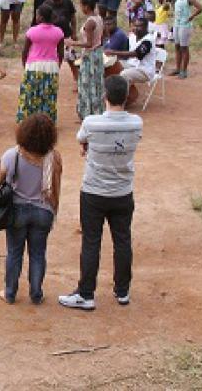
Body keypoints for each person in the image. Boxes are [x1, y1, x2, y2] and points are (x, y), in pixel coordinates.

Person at [59, 75, 142, 310]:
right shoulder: (136, 123)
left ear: (105, 95)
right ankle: (122, 291)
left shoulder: (92, 122)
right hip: (123, 191)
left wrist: (89, 148)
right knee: (122, 240)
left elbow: (81, 139)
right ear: (126, 96)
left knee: (91, 241)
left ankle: (86, 294)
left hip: (94, 191)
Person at [0, 113, 61, 305]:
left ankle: (10, 293)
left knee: (14, 253)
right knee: (38, 253)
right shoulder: (53, 158)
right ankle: (36, 294)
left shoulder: (12, 155)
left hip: (17, 211)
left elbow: (0, 180)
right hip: (43, 211)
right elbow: (55, 184)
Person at [17, 2, 65, 123]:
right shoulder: (58, 32)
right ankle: (48, 120)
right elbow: (61, 53)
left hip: (34, 65)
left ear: (41, 18)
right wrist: (58, 65)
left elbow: (25, 51)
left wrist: (25, 65)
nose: (36, 17)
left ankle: (28, 120)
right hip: (51, 66)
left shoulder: (32, 31)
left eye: (37, 15)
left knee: (30, 95)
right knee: (49, 95)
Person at [65, 0, 104, 120]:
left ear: (86, 6)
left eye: (81, 5)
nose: (80, 8)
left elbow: (89, 43)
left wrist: (72, 43)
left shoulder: (90, 22)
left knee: (87, 83)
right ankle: (97, 111)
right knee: (96, 82)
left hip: (90, 55)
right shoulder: (99, 18)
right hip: (97, 53)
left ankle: (88, 112)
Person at [105, 18, 156, 107]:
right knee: (113, 65)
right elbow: (125, 51)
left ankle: (120, 103)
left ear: (145, 27)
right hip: (131, 64)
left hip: (144, 70)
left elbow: (135, 54)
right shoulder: (132, 37)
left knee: (124, 74)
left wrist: (114, 52)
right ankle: (117, 96)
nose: (136, 28)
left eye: (139, 26)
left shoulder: (148, 40)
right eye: (135, 26)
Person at [170, 0, 202, 79]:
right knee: (177, 46)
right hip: (177, 24)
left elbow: (200, 8)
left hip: (185, 25)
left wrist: (191, 16)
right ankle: (177, 68)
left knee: (184, 48)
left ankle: (184, 71)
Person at [44, 0, 78, 86]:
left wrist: (74, 32)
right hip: (52, 37)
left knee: (71, 59)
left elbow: (73, 17)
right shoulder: (46, 5)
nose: (58, 2)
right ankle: (51, 80)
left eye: (59, 0)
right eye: (55, 1)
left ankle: (77, 80)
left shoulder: (67, 2)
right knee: (53, 59)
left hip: (66, 35)